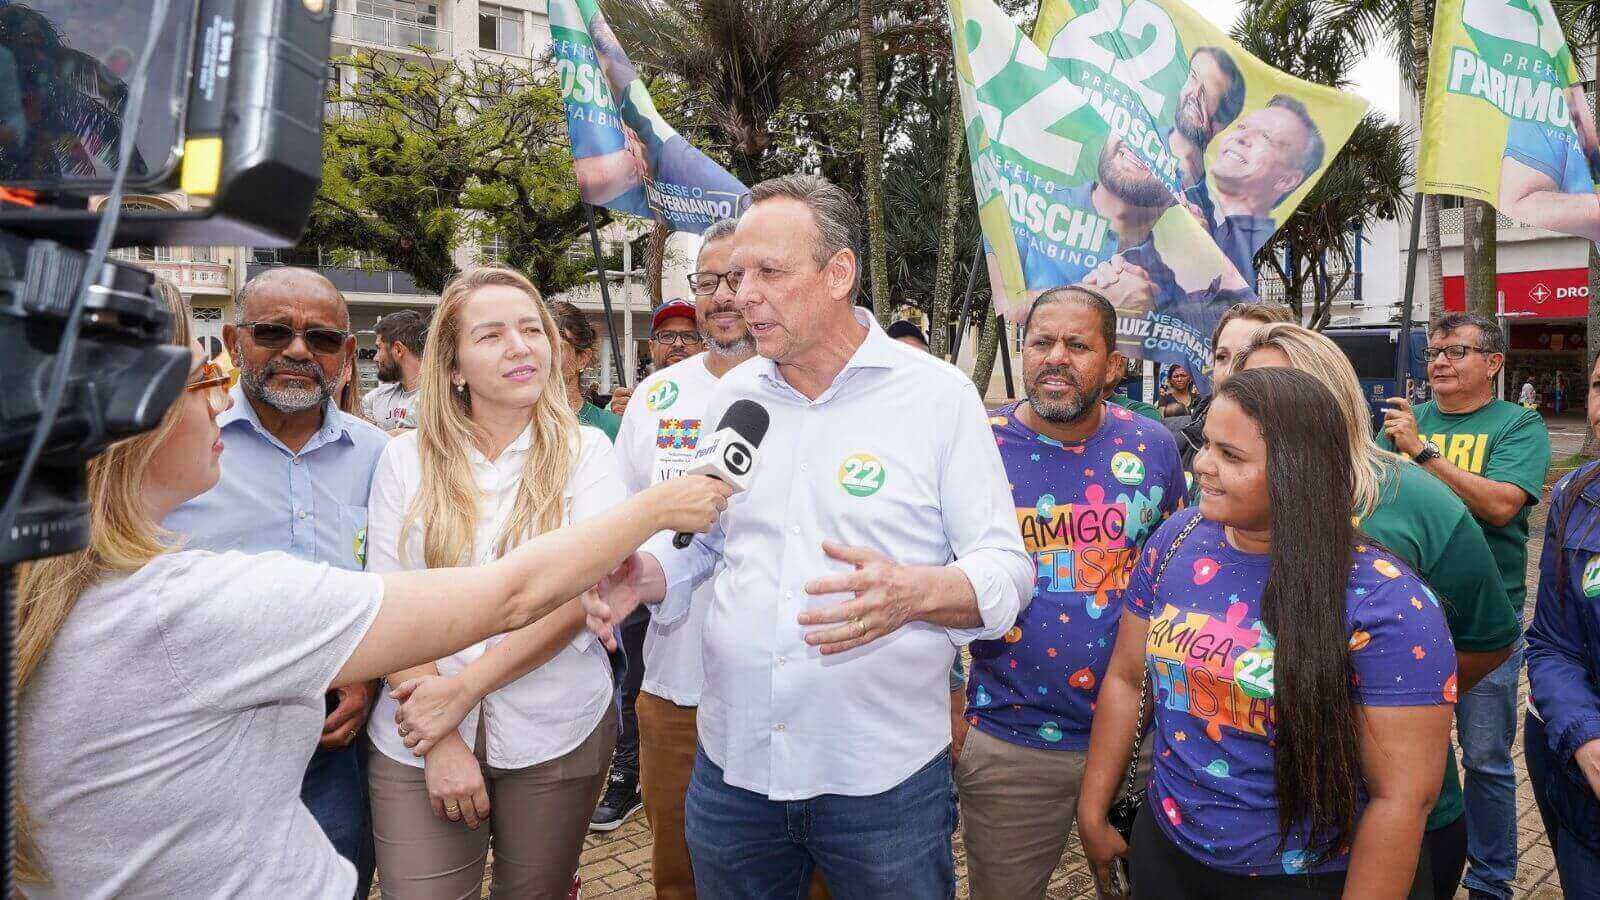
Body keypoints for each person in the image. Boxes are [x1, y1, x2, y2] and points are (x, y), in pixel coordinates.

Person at [13, 283, 732, 899]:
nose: (219, 403)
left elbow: (551, 602)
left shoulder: (101, 586)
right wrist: (660, 507)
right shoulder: (195, 602)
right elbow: (513, 595)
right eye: (205, 383)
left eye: (530, 329)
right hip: (406, 740)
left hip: (532, 734)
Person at [582, 173, 1033, 898]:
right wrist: (649, 576)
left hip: (880, 783)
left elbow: (1007, 570)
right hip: (734, 774)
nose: (740, 295)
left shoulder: (937, 397)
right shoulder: (738, 398)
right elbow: (710, 537)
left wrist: (918, 593)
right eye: (732, 275)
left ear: (838, 273)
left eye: (768, 272)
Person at [1078, 367, 1456, 898]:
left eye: (1230, 456)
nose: (1203, 465)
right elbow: (1125, 677)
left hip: (1306, 878)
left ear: (1297, 471)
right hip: (1168, 854)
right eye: (1206, 443)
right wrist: (1093, 810)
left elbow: (1402, 800)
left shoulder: (1388, 602)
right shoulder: (1175, 541)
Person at [1237, 323, 1522, 899]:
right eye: (1249, 389)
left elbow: (1488, 637)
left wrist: (1393, 700)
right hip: (1245, 812)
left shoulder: (1413, 497)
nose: (1266, 408)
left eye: (1289, 387)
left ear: (1336, 396)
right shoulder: (1217, 497)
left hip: (1397, 810)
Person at [162, 268, 390, 898]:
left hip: (330, 749)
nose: (297, 351)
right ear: (236, 342)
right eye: (274, 332)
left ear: (346, 356)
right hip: (201, 746)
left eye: (320, 338)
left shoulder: (383, 458)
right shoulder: (181, 450)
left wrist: (368, 678)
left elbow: (396, 581)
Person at [607, 217, 815, 898]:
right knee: (680, 875)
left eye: (743, 278)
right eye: (711, 281)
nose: (727, 295)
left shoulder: (811, 390)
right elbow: (620, 525)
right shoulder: (656, 398)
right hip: (677, 690)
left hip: (794, 692)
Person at [959, 285, 1185, 899]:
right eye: (1041, 342)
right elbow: (933, 581)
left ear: (1115, 366)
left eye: (1078, 345)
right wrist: (956, 720)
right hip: (1011, 740)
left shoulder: (1154, 446)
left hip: (1140, 744)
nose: (1056, 356)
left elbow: (1176, 577)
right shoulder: (975, 445)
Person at [1379, 311, 1552, 900]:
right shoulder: (1406, 420)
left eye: (1456, 351)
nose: (1441, 363)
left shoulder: (1518, 425)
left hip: (1485, 624)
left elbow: (1502, 505)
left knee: (1484, 760)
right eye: (1434, 353)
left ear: (1494, 362)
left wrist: (1423, 455)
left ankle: (1490, 881)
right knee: (1397, 759)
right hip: (1398, 623)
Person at [1526, 354, 1600, 897]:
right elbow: (1552, 643)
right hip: (1580, 782)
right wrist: (1585, 736)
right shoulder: (1574, 497)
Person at [1201, 96, 1324, 285]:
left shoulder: (1242, 251)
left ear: (1287, 179)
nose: (1241, 137)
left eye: (1266, 137)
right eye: (1242, 127)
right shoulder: (1210, 220)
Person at [1173, 301, 1293, 470]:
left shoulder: (1301, 453)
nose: (1230, 372)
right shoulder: (1176, 442)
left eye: (1247, 357)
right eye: (1222, 357)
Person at [1168, 47, 1247, 195]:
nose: (1195, 94)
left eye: (1208, 93)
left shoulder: (1205, 209)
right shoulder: (1132, 133)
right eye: (1193, 77)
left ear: (1223, 122)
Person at [608, 298, 705, 418]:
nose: (678, 343)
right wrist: (614, 421)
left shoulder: (722, 397)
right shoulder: (633, 403)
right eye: (667, 336)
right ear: (652, 347)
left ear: (703, 346)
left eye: (689, 336)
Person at [548, 300, 621, 442]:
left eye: (557, 347)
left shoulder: (609, 427)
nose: (547, 356)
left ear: (582, 358)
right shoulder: (512, 424)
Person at [364, 309, 427, 434]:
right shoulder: (374, 398)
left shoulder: (442, 399)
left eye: (379, 348)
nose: (375, 358)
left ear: (398, 350)